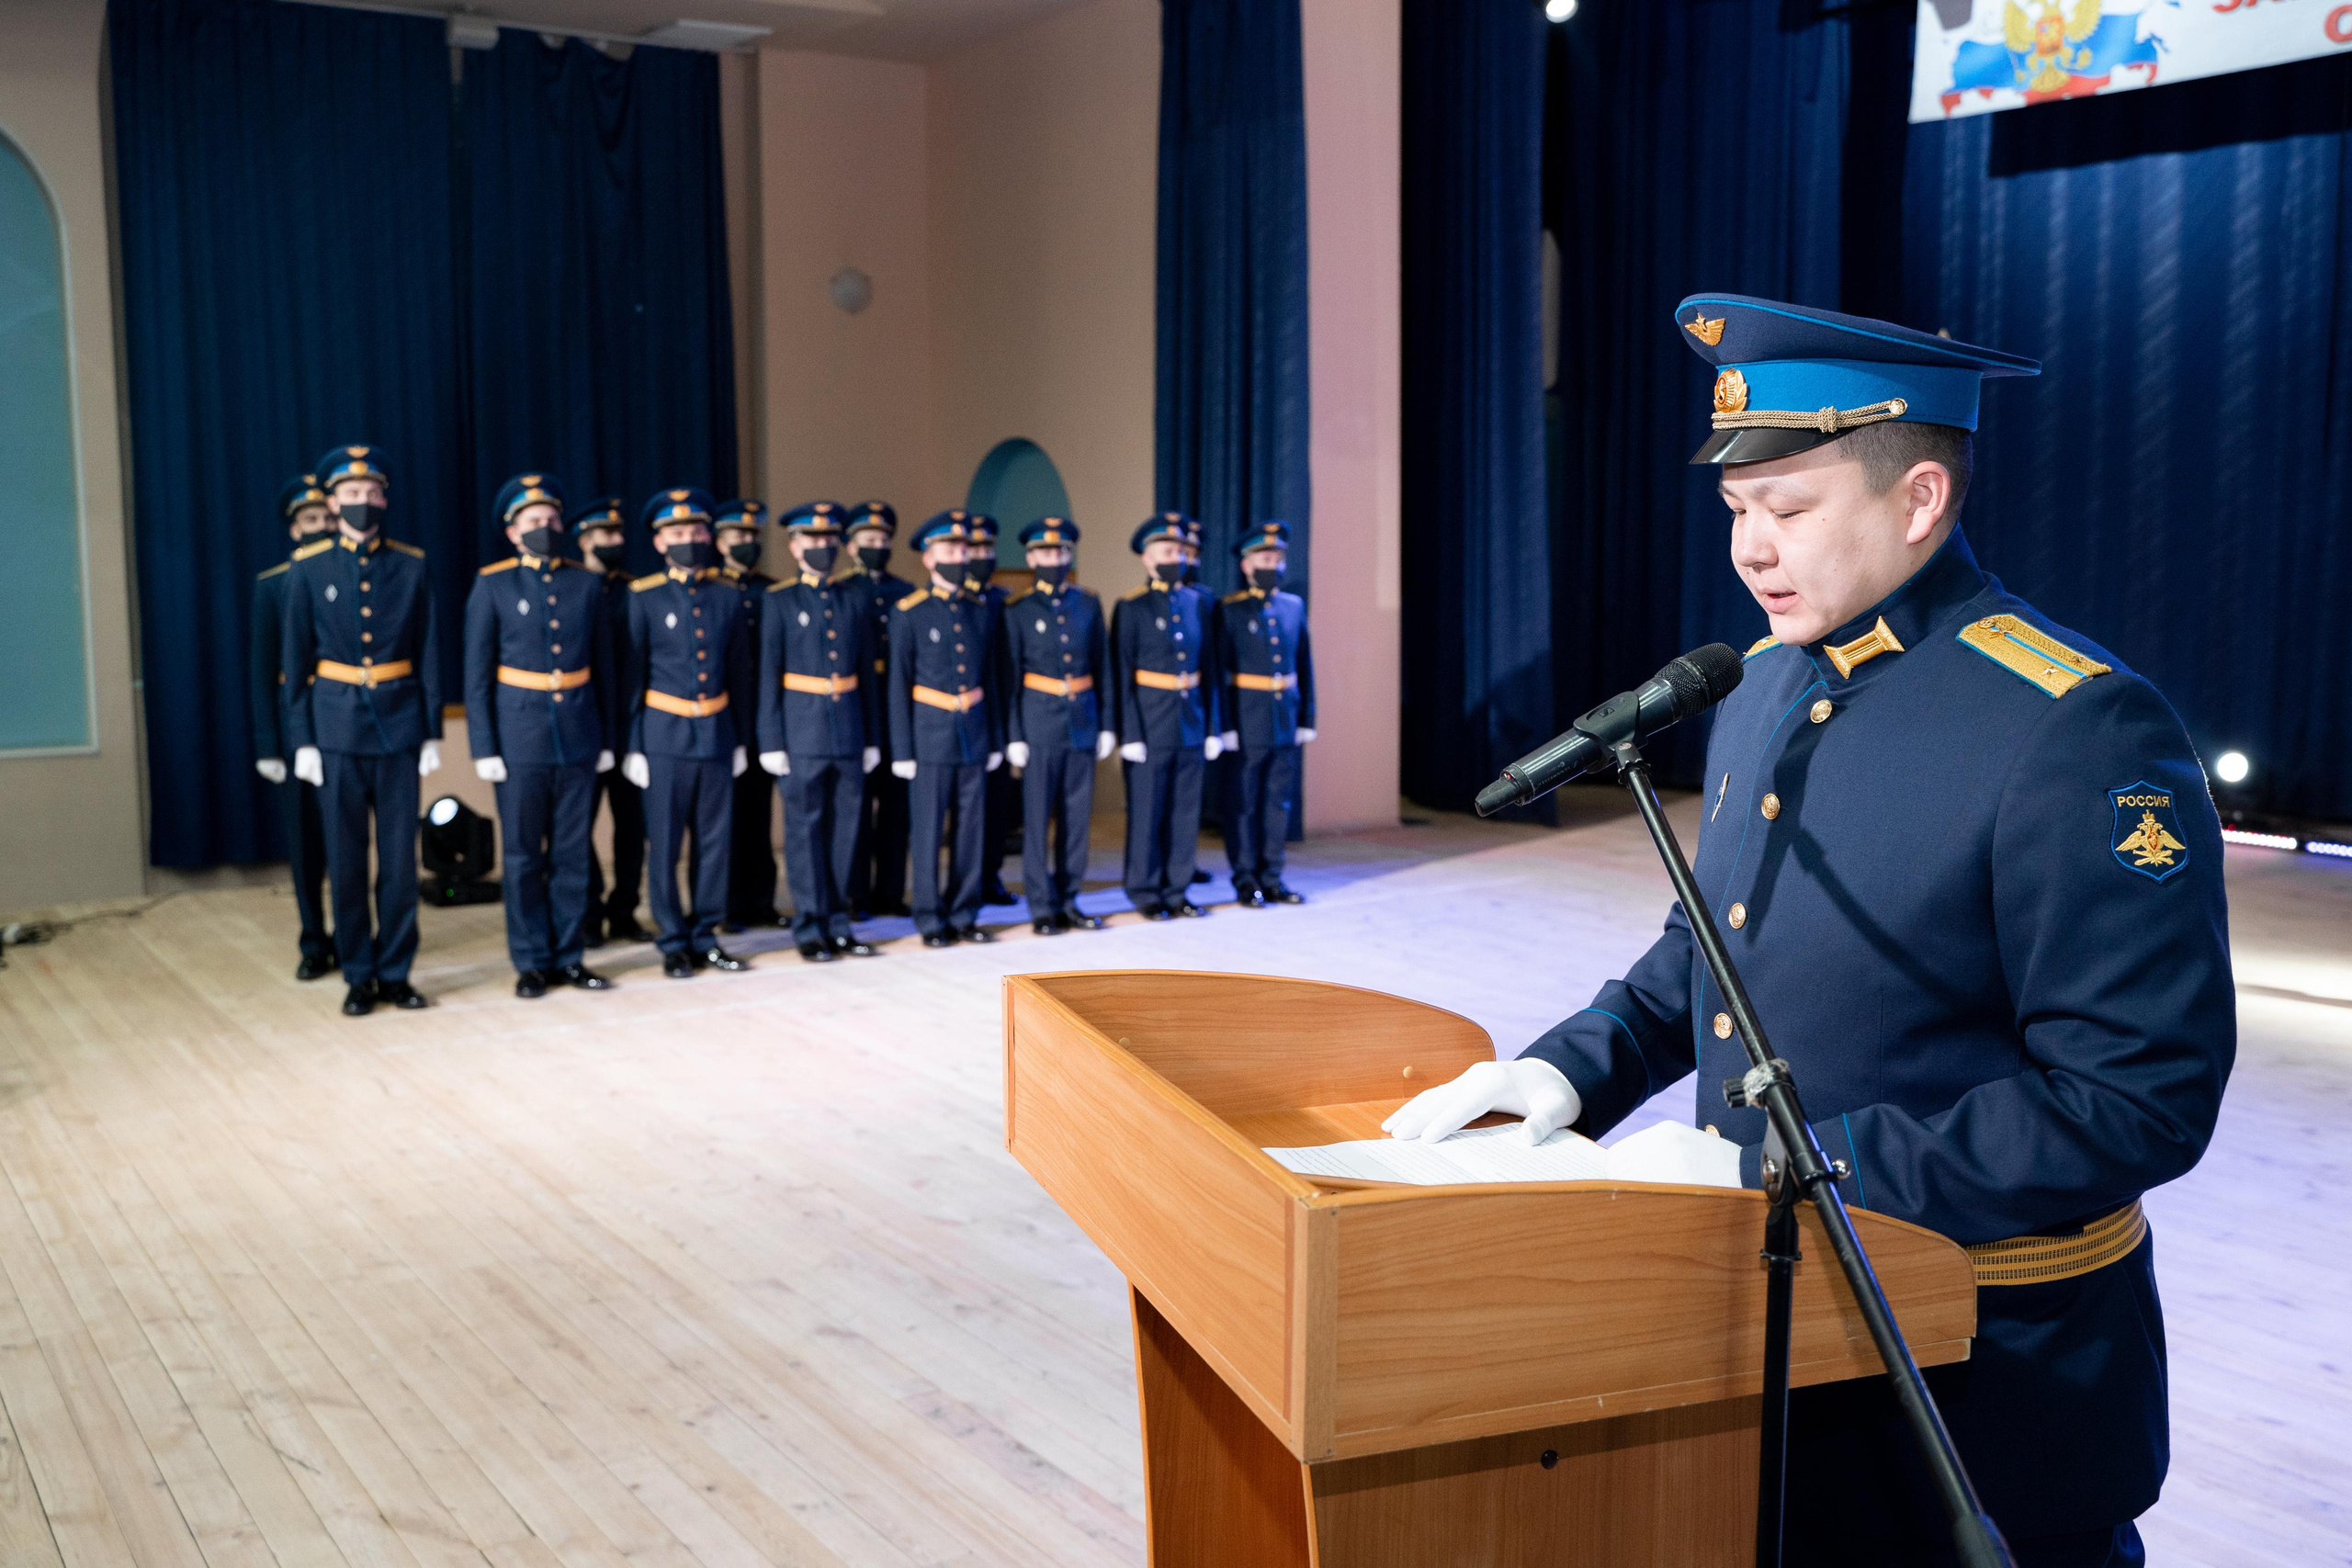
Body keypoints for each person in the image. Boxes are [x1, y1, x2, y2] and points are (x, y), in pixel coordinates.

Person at [1383, 294, 2233, 1567]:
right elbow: (1711, 946)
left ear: (1920, 499)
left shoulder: (2071, 725)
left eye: (1789, 509)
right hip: (1771, 1333)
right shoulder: (1769, 677)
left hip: (1979, 1376)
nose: (1751, 549)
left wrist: (1789, 1168)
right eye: (1737, 511)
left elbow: (2135, 1095)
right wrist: (1566, 1068)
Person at [283, 445, 442, 1016]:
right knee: (347, 862)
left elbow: (427, 652)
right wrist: (301, 739)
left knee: (399, 865)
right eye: (351, 495)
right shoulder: (309, 568)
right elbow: (295, 661)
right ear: (332, 502)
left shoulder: (411, 564)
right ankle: (358, 972)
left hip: (398, 728)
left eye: (373, 494)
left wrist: (429, 732)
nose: (363, 503)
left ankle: (396, 971)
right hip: (336, 729)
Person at [461, 472, 617, 998]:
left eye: (552, 520)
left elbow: (607, 671)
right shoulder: (494, 584)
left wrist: (609, 740)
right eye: (534, 522)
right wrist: (483, 747)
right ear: (512, 531)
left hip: (577, 734)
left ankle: (569, 956)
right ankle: (530, 959)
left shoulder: (586, 583)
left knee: (573, 854)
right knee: (525, 856)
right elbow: (477, 673)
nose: (545, 528)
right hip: (519, 737)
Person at [622, 488, 757, 978]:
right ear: (660, 542)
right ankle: (673, 939)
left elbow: (739, 673)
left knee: (715, 842)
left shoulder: (726, 596)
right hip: (663, 734)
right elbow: (631, 679)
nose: (690, 541)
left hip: (717, 732)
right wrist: (634, 744)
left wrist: (740, 738)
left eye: (698, 533)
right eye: (678, 534)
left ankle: (706, 934)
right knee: (666, 842)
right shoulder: (644, 597)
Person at [757, 501, 883, 962]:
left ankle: (840, 922)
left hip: (847, 730)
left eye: (830, 540)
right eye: (812, 540)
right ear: (794, 547)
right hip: (801, 733)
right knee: (805, 833)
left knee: (847, 831)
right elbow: (768, 675)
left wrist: (871, 737)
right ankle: (810, 925)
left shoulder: (853, 598)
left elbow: (867, 674)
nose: (822, 547)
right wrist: (771, 741)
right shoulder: (781, 601)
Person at [889, 511, 1003, 946]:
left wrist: (992, 735)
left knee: (971, 829)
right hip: (929, 735)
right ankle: (930, 917)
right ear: (928, 558)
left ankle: (964, 913)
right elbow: (897, 686)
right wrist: (902, 749)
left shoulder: (979, 609)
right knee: (929, 831)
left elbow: (989, 676)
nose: (960, 557)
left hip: (972, 732)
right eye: (950, 550)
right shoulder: (909, 613)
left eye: (963, 550)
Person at [1109, 512, 1225, 919]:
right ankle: (1145, 890)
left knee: (1184, 812)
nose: (1174, 556)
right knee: (1147, 813)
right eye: (1165, 550)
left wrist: (1213, 726)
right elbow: (1121, 673)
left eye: (1179, 550)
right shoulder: (1132, 606)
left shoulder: (1199, 603)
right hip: (1150, 723)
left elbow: (1209, 669)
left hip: (1190, 721)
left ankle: (1177, 890)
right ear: (1147, 557)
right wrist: (1130, 732)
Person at [1001, 518, 1114, 933]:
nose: (1055, 559)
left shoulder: (1087, 603)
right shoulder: (1018, 610)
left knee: (1076, 819)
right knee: (1036, 820)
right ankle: (1041, 907)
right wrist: (1014, 733)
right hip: (1038, 723)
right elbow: (1011, 676)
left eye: (1062, 552)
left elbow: (1103, 668)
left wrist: (1107, 724)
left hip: (1081, 721)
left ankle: (1069, 900)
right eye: (1046, 553)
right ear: (1031, 558)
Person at [251, 473, 337, 980]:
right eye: (311, 521)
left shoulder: (355, 575)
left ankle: (352, 936)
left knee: (348, 842)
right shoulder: (274, 585)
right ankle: (313, 939)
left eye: (327, 518)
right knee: (305, 844)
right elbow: (263, 673)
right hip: (294, 728)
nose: (323, 527)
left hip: (345, 723)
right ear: (293, 530)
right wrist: (269, 745)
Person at [1212, 519, 1316, 906]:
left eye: (1276, 557)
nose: (1271, 564)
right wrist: (1223, 725)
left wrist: (1307, 716)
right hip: (1246, 717)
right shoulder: (1230, 610)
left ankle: (1273, 876)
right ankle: (1245, 879)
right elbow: (1218, 672)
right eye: (1263, 557)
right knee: (1244, 803)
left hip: (1284, 717)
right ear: (1246, 564)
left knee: (1278, 802)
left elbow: (1304, 663)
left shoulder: (1292, 606)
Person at [572, 496, 649, 946]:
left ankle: (625, 909)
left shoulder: (635, 590)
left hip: (628, 724)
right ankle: (587, 911)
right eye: (607, 534)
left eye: (619, 534)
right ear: (584, 540)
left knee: (632, 827)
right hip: (584, 724)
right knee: (576, 826)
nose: (616, 542)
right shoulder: (570, 586)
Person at [841, 500, 914, 919]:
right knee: (855, 809)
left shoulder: (904, 592)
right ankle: (855, 894)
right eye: (869, 540)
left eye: (884, 539)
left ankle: (890, 891)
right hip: (856, 705)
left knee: (895, 812)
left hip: (896, 707)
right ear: (852, 547)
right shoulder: (844, 590)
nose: (879, 546)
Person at [714, 498, 782, 930]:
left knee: (759, 817)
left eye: (753, 536)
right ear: (720, 543)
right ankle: (727, 905)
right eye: (739, 536)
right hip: (723, 719)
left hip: (764, 718)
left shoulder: (770, 591)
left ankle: (761, 901)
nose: (748, 543)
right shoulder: (712, 590)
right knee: (725, 822)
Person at [962, 512, 1020, 906]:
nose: (983, 555)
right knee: (966, 811)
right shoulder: (955, 601)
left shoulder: (1005, 601)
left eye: (988, 548)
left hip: (1000, 714)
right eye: (975, 547)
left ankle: (991, 876)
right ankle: (965, 884)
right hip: (965, 716)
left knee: (998, 805)